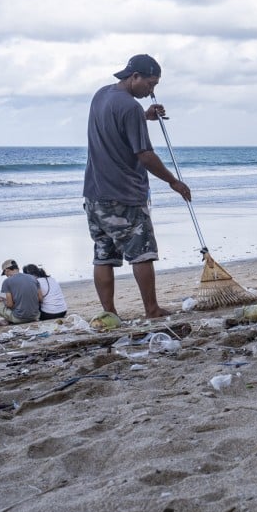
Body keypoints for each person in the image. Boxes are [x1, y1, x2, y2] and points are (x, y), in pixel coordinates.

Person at [83, 54, 191, 319]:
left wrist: (144, 116)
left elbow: (115, 125)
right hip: (125, 195)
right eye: (150, 84)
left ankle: (109, 314)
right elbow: (145, 155)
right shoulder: (130, 107)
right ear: (135, 77)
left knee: (103, 255)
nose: (152, 90)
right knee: (142, 254)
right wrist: (173, 181)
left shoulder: (102, 95)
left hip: (94, 194)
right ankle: (152, 309)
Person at [0, 259, 42, 329]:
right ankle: (7, 321)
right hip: (35, 317)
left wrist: (4, 301)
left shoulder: (7, 282)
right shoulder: (33, 278)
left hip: (19, 318)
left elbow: (10, 305)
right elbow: (40, 299)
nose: (5, 275)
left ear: (6, 270)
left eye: (4, 273)